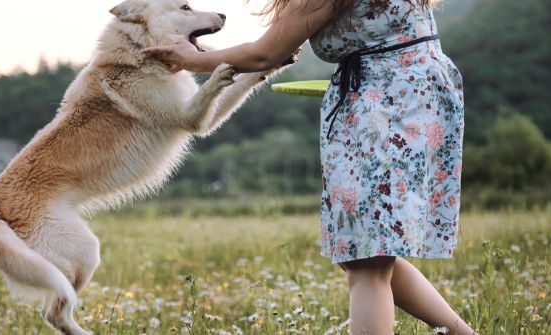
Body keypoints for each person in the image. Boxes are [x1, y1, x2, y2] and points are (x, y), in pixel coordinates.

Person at [144, 0, 476, 334]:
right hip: (404, 97)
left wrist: (192, 59)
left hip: (388, 108)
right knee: (364, 252)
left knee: (367, 264)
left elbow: (264, 55)